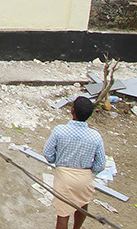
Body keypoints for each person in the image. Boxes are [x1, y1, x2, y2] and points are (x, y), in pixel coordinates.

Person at [43, 96, 107, 228]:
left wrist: (56, 161)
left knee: (63, 214)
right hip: (84, 178)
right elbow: (100, 164)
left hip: (64, 177)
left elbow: (47, 153)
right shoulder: (95, 136)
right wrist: (89, 172)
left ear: (72, 110)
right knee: (82, 206)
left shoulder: (60, 130)